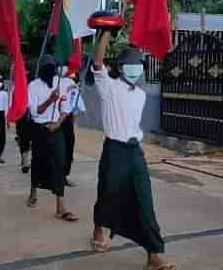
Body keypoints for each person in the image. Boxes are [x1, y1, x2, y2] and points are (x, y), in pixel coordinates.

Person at [90, 30, 174, 270]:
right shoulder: (108, 86)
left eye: (139, 64)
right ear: (120, 67)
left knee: (144, 200)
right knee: (107, 194)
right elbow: (97, 62)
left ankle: (154, 255)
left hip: (135, 152)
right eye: (130, 64)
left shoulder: (141, 94)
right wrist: (106, 32)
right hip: (114, 150)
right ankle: (98, 228)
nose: (136, 68)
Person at [26, 55, 78, 222]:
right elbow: (36, 112)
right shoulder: (33, 86)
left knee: (59, 164)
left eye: (52, 67)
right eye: (46, 67)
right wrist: (50, 100)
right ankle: (33, 192)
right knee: (38, 162)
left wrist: (58, 123)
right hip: (39, 129)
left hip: (56, 128)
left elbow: (66, 108)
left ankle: (60, 207)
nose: (50, 71)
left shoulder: (60, 83)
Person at [59, 68, 86, 187]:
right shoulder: (57, 83)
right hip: (56, 117)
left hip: (67, 119)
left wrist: (75, 111)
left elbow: (80, 108)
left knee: (69, 146)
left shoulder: (74, 88)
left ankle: (63, 175)